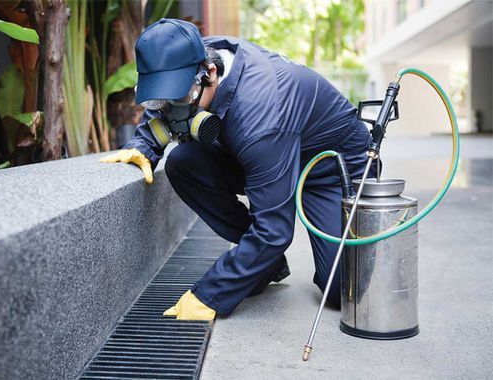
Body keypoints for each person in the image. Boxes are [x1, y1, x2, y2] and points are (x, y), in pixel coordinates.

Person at [100, 18, 376, 320]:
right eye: (161, 98)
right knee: (183, 163)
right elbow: (163, 107)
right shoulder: (189, 54)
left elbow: (274, 230)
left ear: (210, 74)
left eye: (181, 99)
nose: (173, 111)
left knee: (342, 289)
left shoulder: (261, 114)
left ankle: (263, 259)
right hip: (265, 153)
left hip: (330, 169)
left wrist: (212, 295)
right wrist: (143, 146)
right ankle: (266, 265)